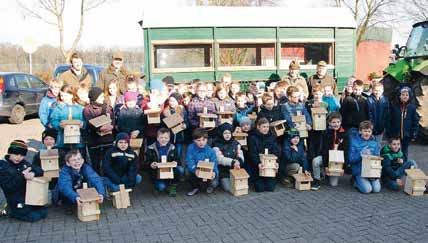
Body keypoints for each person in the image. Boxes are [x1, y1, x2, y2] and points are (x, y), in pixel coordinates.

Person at [0, 140, 47, 222]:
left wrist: (33, 173)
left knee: (43, 212)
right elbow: (8, 187)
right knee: (34, 217)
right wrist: (22, 176)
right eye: (16, 154)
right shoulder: (3, 167)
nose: (19, 157)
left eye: (22, 155)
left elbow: (39, 170)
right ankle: (12, 211)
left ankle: (23, 209)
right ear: (9, 153)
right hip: (15, 199)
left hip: (27, 197)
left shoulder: (23, 163)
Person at [54, 150, 105, 215]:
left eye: (79, 159)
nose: (77, 162)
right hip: (69, 190)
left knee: (90, 183)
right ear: (68, 163)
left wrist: (101, 193)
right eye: (73, 160)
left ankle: (87, 201)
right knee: (63, 191)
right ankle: (68, 206)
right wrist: (75, 197)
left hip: (79, 187)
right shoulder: (65, 171)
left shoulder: (86, 167)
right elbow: (65, 186)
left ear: (82, 160)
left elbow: (96, 179)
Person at [50, 84, 86, 165]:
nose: (62, 98)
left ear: (71, 95)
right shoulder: (58, 108)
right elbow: (53, 120)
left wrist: (83, 124)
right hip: (62, 142)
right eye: (61, 95)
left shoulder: (80, 108)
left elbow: (86, 122)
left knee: (78, 163)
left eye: (65, 95)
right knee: (64, 163)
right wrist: (59, 125)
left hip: (78, 143)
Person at [83, 87, 115, 174]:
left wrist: (110, 126)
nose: (102, 98)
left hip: (107, 140)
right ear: (94, 98)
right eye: (100, 97)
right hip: (94, 141)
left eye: (102, 96)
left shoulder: (108, 108)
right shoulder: (87, 110)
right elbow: (91, 123)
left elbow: (112, 122)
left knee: (107, 164)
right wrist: (100, 127)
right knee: (95, 164)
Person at [145, 128, 184, 196]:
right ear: (157, 138)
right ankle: (157, 186)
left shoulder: (172, 148)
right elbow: (146, 162)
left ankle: (173, 187)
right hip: (157, 172)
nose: (163, 139)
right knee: (161, 187)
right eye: (161, 137)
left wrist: (175, 162)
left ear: (169, 138)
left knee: (180, 169)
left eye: (166, 138)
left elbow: (178, 160)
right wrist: (151, 164)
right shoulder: (151, 148)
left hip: (170, 170)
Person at [305, 84, 328, 190]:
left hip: (322, 133)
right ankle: (314, 176)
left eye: (319, 93)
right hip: (311, 132)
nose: (317, 95)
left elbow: (330, 115)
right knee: (311, 152)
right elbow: (306, 116)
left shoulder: (326, 104)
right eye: (315, 93)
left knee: (320, 152)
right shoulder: (308, 104)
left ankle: (320, 174)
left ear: (322, 93)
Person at [247, 118, 280, 192]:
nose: (266, 129)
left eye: (267, 127)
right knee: (260, 188)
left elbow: (276, 151)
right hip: (258, 166)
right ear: (258, 127)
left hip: (269, 166)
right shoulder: (253, 137)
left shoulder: (272, 137)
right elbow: (252, 153)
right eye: (264, 127)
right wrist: (258, 163)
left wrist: (276, 162)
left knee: (270, 188)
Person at [386, 87, 419, 160]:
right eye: (403, 95)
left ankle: (404, 166)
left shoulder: (412, 107)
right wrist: (388, 132)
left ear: (409, 97)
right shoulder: (394, 106)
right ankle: (394, 165)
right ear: (399, 96)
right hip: (395, 134)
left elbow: (415, 121)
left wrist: (414, 133)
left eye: (407, 95)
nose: (405, 96)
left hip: (406, 134)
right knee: (394, 151)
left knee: (404, 151)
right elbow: (389, 120)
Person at [348, 120, 381, 194]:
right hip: (360, 171)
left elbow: (378, 158)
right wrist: (360, 154)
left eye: (369, 131)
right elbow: (351, 159)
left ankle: (367, 181)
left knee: (376, 189)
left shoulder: (374, 143)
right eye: (365, 131)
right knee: (367, 190)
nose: (367, 133)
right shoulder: (354, 141)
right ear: (360, 131)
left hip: (371, 171)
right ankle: (355, 181)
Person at [185, 128, 219, 196]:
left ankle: (208, 186)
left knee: (214, 183)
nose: (201, 142)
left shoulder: (211, 151)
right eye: (198, 140)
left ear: (207, 140)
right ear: (194, 140)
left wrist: (214, 173)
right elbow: (189, 161)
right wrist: (195, 170)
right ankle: (195, 187)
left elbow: (214, 163)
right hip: (196, 170)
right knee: (187, 171)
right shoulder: (190, 148)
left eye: (204, 140)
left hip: (207, 171)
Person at [212, 123, 244, 192]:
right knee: (227, 188)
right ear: (221, 133)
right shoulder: (216, 144)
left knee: (239, 185)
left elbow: (240, 153)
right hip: (223, 171)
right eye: (225, 133)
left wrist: (239, 161)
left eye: (229, 133)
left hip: (235, 168)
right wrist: (232, 162)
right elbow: (220, 159)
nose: (227, 135)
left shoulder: (235, 143)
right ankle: (219, 179)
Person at [321, 112, 348, 187]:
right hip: (328, 158)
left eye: (338, 122)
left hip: (337, 162)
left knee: (333, 184)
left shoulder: (345, 134)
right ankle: (317, 179)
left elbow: (346, 151)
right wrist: (326, 165)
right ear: (329, 123)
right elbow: (324, 150)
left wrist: (343, 166)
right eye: (333, 122)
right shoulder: (326, 133)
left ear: (341, 122)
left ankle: (329, 176)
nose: (336, 124)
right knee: (316, 161)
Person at [161, 92, 188, 159]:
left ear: (178, 101)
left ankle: (178, 167)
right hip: (169, 137)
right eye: (170, 100)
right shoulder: (165, 111)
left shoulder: (182, 109)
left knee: (178, 155)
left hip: (179, 137)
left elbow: (187, 121)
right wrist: (170, 120)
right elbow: (163, 124)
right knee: (169, 155)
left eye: (173, 101)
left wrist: (185, 125)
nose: (171, 102)